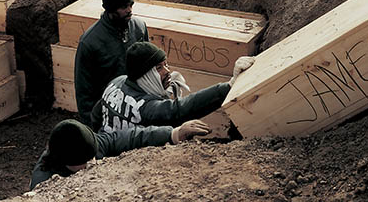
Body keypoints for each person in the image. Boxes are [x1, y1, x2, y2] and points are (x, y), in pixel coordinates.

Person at [91, 41, 255, 134]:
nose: (167, 71)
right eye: (159, 68)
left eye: (166, 65)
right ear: (145, 75)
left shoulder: (117, 82)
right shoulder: (145, 108)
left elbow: (95, 115)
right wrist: (228, 86)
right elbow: (178, 111)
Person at [29, 118, 211, 190]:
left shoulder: (87, 144)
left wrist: (174, 133)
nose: (93, 164)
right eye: (85, 163)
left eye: (92, 157)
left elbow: (129, 137)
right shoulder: (44, 182)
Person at [73, 0, 149, 125]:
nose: (129, 10)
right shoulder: (90, 42)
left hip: (139, 107)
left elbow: (149, 66)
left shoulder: (139, 27)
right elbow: (84, 91)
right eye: (123, 7)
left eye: (131, 5)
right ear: (109, 9)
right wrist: (92, 128)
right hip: (110, 114)